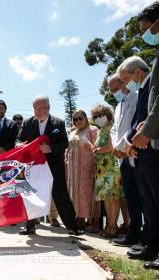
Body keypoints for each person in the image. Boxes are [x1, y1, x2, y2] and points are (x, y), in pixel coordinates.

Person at [16, 95, 84, 236]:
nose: (38, 111)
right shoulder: (28, 123)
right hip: (33, 168)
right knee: (31, 196)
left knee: (61, 196)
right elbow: (18, 139)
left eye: (41, 108)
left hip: (54, 166)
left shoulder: (58, 123)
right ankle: (30, 227)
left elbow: (64, 142)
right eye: (35, 108)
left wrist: (50, 148)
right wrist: (18, 145)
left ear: (48, 107)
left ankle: (72, 228)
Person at [126, 4, 159, 271]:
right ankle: (152, 245)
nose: (146, 34)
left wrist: (145, 132)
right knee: (150, 198)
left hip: (152, 140)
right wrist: (131, 138)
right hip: (143, 145)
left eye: (147, 28)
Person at [108, 73, 148, 250]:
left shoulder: (138, 98)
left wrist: (124, 146)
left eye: (117, 88)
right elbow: (114, 129)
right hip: (122, 157)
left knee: (143, 197)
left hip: (135, 153)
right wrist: (116, 148)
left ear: (125, 83)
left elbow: (136, 124)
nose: (115, 92)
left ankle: (147, 237)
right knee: (130, 197)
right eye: (112, 91)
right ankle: (133, 233)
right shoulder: (118, 106)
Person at [90, 104, 125, 238]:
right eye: (96, 117)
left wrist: (96, 151)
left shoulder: (111, 127)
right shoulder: (101, 130)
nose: (98, 118)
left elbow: (110, 147)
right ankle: (109, 225)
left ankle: (113, 226)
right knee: (106, 198)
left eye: (100, 115)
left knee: (113, 197)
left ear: (107, 114)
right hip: (101, 169)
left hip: (112, 167)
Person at [65, 110, 101, 233]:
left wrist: (93, 165)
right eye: (76, 119)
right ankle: (80, 220)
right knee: (76, 194)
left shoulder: (92, 130)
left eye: (81, 118)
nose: (78, 121)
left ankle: (95, 222)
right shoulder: (72, 132)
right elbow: (67, 150)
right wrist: (66, 165)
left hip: (87, 167)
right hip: (73, 169)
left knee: (89, 193)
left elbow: (97, 146)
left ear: (86, 118)